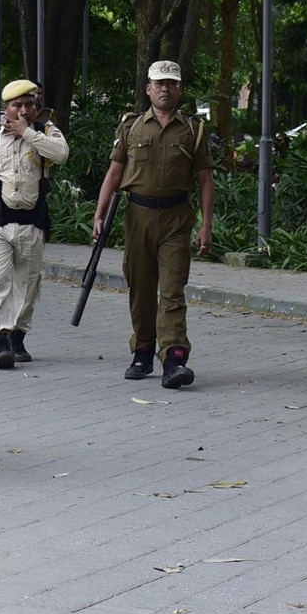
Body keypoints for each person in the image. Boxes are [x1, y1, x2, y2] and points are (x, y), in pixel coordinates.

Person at [93, 60, 214, 389]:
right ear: (148, 89)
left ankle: (174, 357)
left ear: (179, 89)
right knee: (141, 289)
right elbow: (115, 173)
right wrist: (100, 213)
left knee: (172, 290)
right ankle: (143, 350)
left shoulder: (192, 130)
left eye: (171, 83)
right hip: (138, 217)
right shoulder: (132, 128)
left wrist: (206, 225)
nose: (165, 88)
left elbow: (205, 180)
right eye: (158, 83)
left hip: (176, 218)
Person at [0, 79, 69, 368]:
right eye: (16, 105)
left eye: (28, 105)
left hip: (32, 220)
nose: (23, 110)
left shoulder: (45, 131)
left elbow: (61, 154)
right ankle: (1, 341)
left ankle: (18, 335)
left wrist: (28, 134)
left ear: (35, 107)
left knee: (28, 285)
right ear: (5, 108)